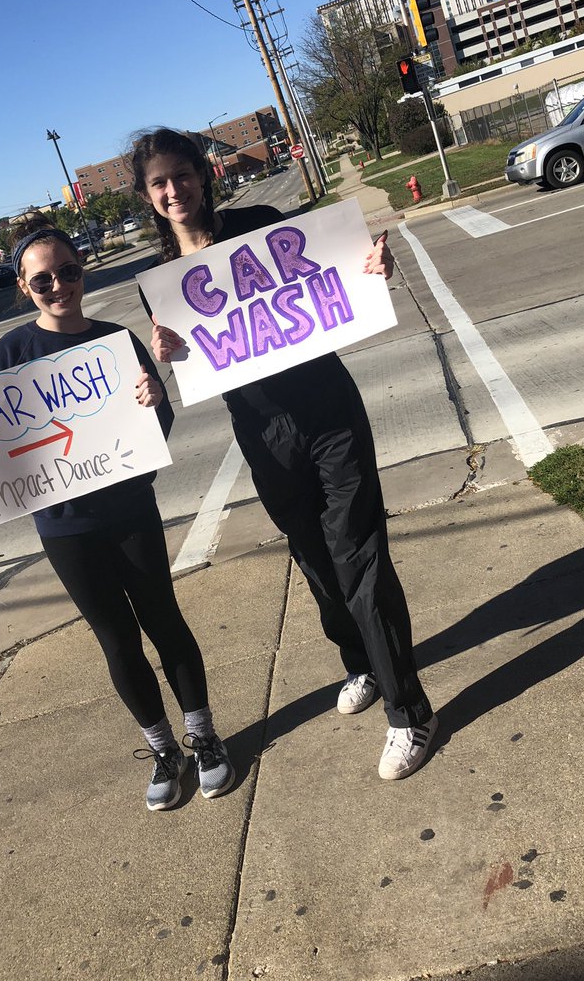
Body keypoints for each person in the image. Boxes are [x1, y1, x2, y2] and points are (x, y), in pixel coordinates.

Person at [132, 128, 436, 780]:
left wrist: (375, 268)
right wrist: (167, 354)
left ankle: (411, 714)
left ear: (201, 177)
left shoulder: (260, 226)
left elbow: (337, 274)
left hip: (328, 413)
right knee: (318, 565)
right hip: (264, 437)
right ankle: (362, 664)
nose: (173, 190)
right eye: (159, 183)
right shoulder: (163, 284)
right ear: (149, 197)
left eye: (182, 175)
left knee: (359, 557)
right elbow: (193, 362)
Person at [0, 216, 234, 811]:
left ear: (81, 271)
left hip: (130, 509)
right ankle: (163, 748)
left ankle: (204, 737)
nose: (58, 286)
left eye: (68, 272)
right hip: (64, 526)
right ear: (22, 286)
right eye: (43, 281)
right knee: (116, 639)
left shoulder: (117, 342)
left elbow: (155, 429)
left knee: (164, 620)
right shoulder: (8, 354)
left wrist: (156, 401)